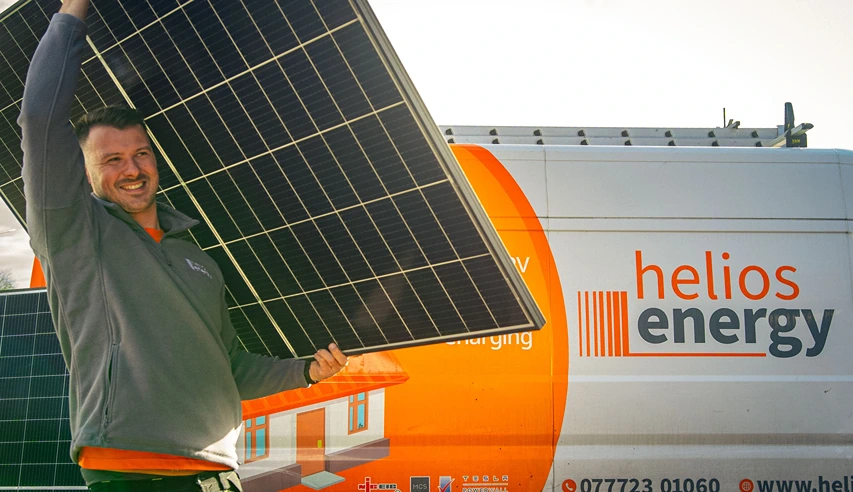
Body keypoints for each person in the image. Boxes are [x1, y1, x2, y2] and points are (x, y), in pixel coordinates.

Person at [19, 1, 348, 490]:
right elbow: (40, 120)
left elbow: (233, 367)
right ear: (84, 173)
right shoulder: (74, 235)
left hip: (218, 473)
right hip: (131, 471)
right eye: (111, 159)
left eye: (140, 154)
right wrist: (73, 9)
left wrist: (305, 372)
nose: (131, 169)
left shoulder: (198, 256)